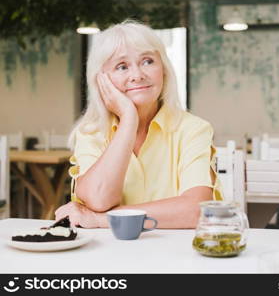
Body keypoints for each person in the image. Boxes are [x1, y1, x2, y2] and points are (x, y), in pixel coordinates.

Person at [55, 20, 222, 229]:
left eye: (148, 61)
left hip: (175, 255)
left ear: (164, 69)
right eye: (122, 66)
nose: (137, 75)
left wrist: (101, 219)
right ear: (102, 81)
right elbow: (99, 199)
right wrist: (128, 120)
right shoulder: (90, 134)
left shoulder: (193, 129)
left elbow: (195, 211)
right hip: (106, 255)